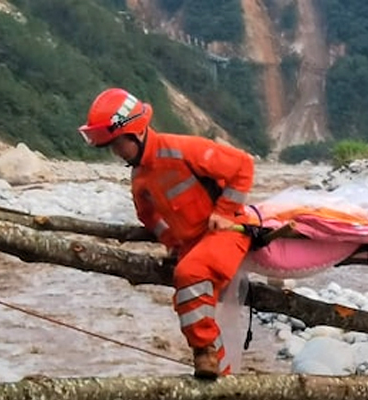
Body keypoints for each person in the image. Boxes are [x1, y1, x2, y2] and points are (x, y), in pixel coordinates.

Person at [79, 88, 254, 379]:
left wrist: (224, 211)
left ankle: (204, 351)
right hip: (192, 243)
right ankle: (220, 373)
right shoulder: (140, 179)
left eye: (117, 144)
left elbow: (243, 165)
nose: (116, 152)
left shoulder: (182, 149)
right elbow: (148, 216)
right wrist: (171, 242)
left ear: (134, 133)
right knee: (190, 279)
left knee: (190, 273)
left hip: (228, 231)